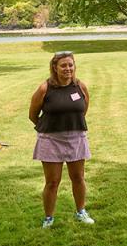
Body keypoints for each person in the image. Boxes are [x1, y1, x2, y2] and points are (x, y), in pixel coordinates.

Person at [29, 50, 93, 228]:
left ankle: (81, 211)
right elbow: (33, 114)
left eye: (70, 65)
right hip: (50, 140)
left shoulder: (80, 86)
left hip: (76, 137)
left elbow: (84, 108)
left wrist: (71, 122)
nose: (68, 69)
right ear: (54, 68)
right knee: (52, 182)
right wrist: (49, 128)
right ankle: (48, 218)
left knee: (78, 178)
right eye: (63, 65)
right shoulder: (45, 88)